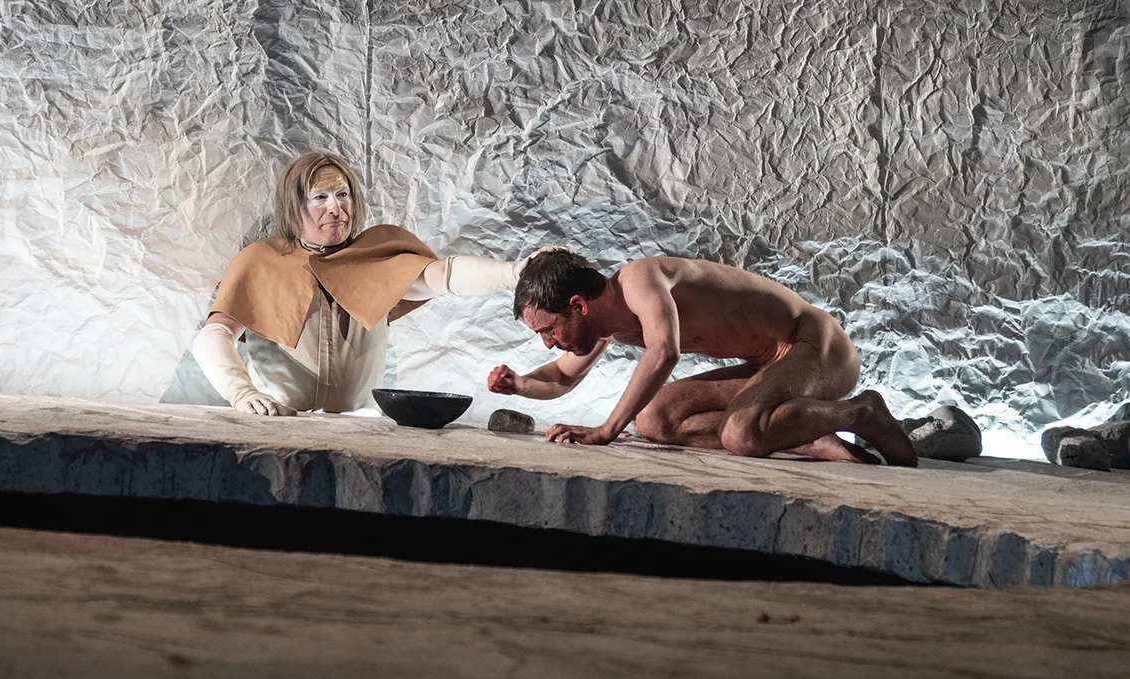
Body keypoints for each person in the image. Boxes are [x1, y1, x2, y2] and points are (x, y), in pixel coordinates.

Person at [164, 148, 529, 416]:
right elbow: (214, 335)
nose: (336, 208)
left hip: (359, 428)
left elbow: (444, 275)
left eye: (343, 195)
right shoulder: (261, 261)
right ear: (295, 207)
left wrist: (515, 274)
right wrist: (242, 393)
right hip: (279, 423)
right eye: (320, 197)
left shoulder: (377, 257)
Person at [488, 248, 917, 465]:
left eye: (548, 330)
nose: (548, 343)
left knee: (739, 435)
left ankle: (861, 412)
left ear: (579, 305)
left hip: (815, 346)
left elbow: (664, 351)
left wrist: (605, 431)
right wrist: (519, 384)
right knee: (653, 420)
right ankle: (804, 435)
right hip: (772, 366)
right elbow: (562, 377)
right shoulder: (607, 324)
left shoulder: (638, 279)